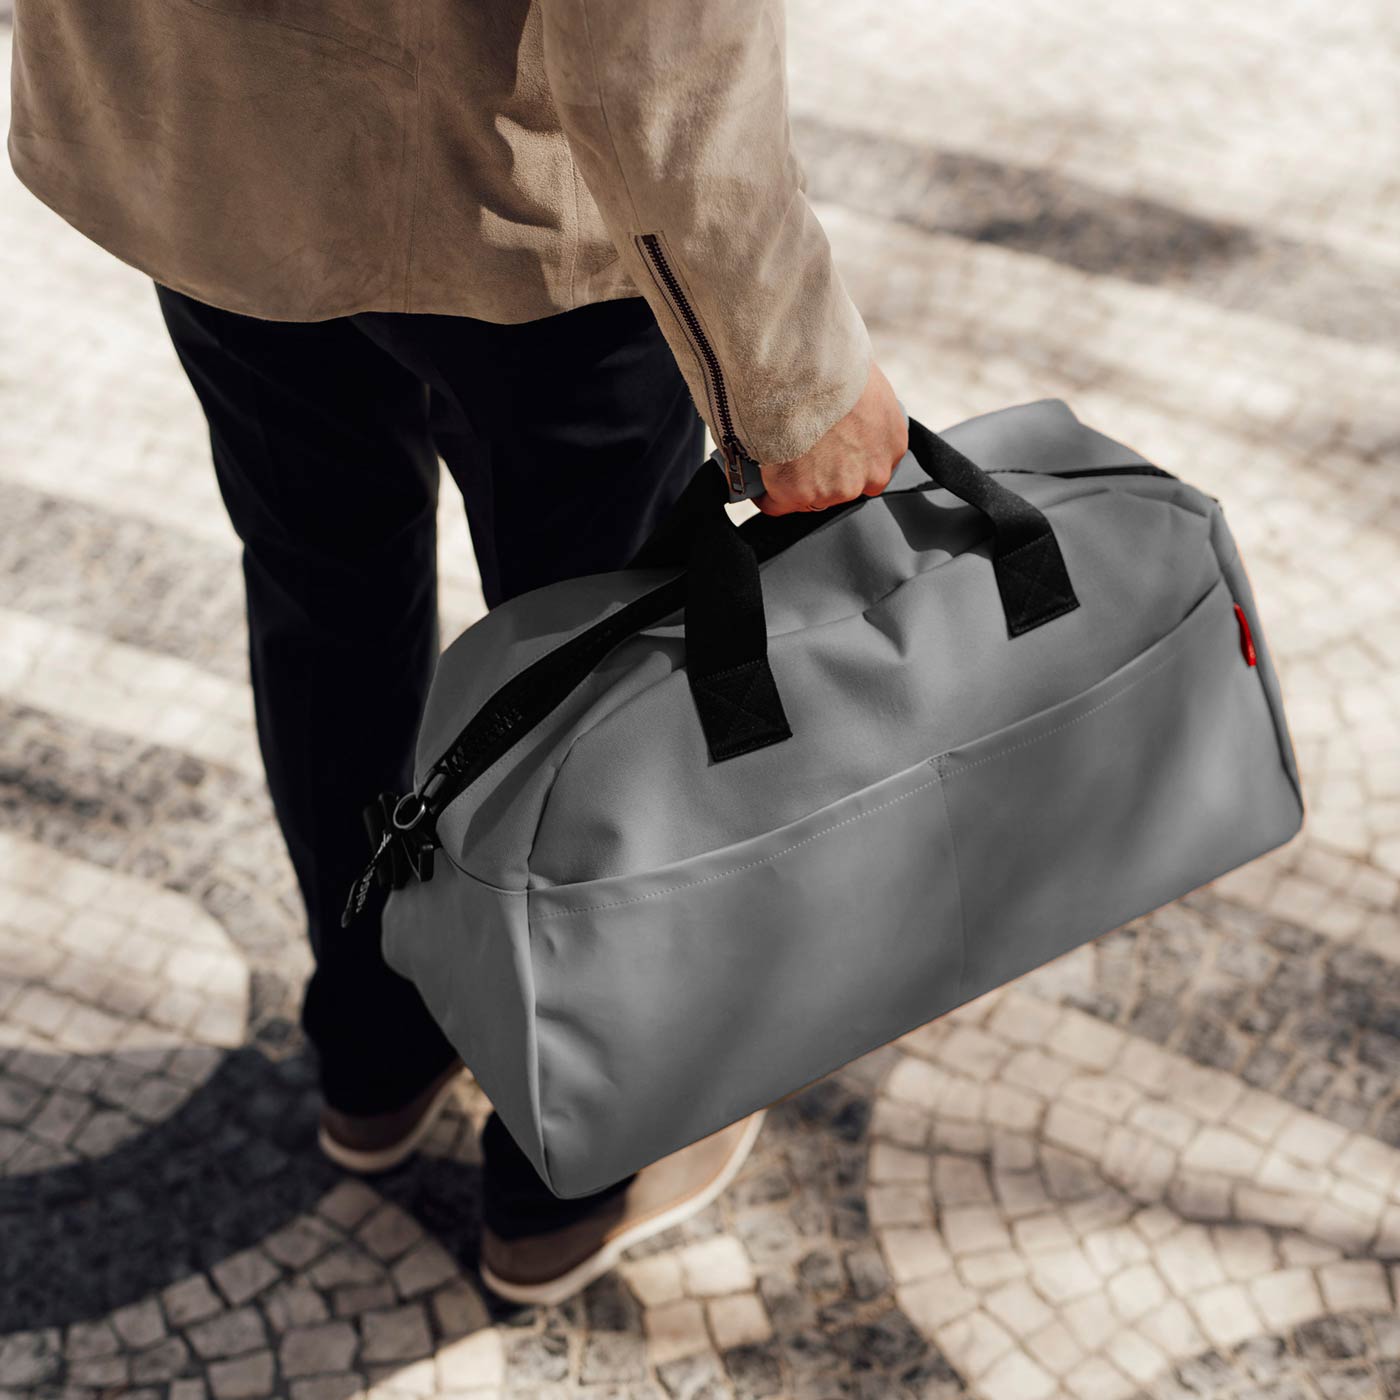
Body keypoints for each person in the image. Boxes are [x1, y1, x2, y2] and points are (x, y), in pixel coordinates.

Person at [7, 0, 909, 1303]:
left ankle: (376, 1051)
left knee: (322, 596)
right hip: (516, 185)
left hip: (198, 126)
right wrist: (788, 365)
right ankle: (573, 1165)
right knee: (597, 682)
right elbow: (657, 37)